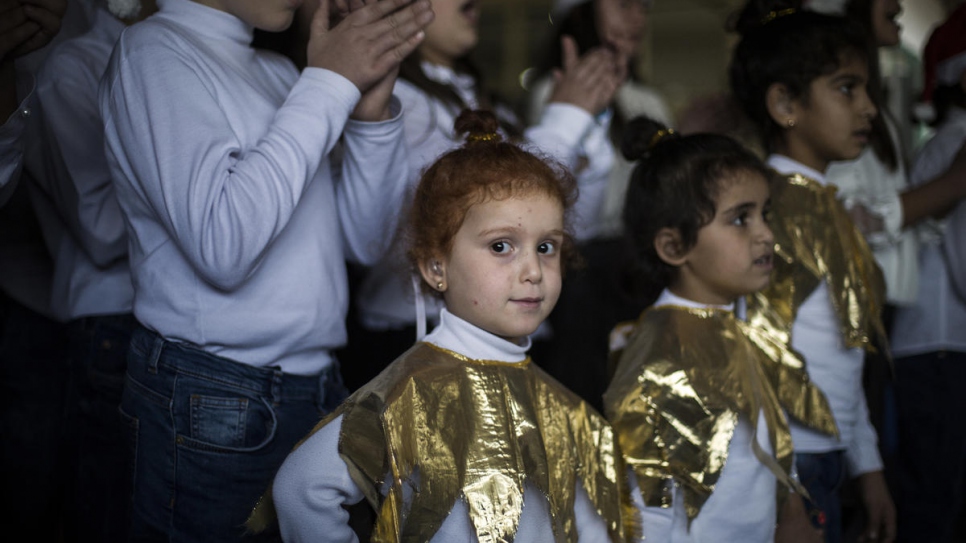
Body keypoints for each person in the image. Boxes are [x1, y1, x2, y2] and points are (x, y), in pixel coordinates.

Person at [98, 0, 434, 540]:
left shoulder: (279, 72)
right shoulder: (154, 52)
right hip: (215, 393)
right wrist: (328, 81)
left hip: (316, 385)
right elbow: (224, 246)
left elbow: (364, 243)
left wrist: (368, 111)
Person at [250, 109, 631, 542]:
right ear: (436, 266)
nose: (533, 271)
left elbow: (590, 526)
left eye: (547, 247)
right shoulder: (412, 390)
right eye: (501, 246)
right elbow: (302, 487)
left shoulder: (566, 407)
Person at [342, 0, 626, 391]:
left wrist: (590, 134)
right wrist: (565, 120)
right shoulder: (390, 100)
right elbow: (480, 202)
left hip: (518, 341)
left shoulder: (486, 100)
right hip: (420, 338)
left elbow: (567, 225)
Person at [603, 116, 832, 542]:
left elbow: (768, 435)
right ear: (674, 246)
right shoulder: (664, 357)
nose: (766, 234)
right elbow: (646, 510)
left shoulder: (735, 324)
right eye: (740, 219)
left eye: (765, 214)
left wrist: (790, 513)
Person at [729, 4, 896, 543]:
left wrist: (866, 466)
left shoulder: (825, 207)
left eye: (867, 90)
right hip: (791, 467)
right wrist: (785, 496)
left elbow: (845, 354)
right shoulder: (772, 211)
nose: (869, 108)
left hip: (829, 454)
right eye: (847, 89)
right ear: (784, 104)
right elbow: (752, 355)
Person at [25, 0, 155, 540]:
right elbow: (100, 230)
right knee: (109, 510)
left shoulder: (181, 59)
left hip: (158, 329)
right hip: (111, 321)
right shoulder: (72, 67)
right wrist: (201, 213)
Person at [523, 0, 675, 412]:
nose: (637, 17)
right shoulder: (555, 92)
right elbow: (555, 199)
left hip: (641, 266)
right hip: (584, 274)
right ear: (581, 13)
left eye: (644, 7)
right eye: (623, 5)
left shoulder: (649, 100)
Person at [889, 6, 966, 540]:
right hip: (941, 347)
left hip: (933, 345)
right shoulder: (955, 146)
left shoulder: (942, 142)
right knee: (939, 500)